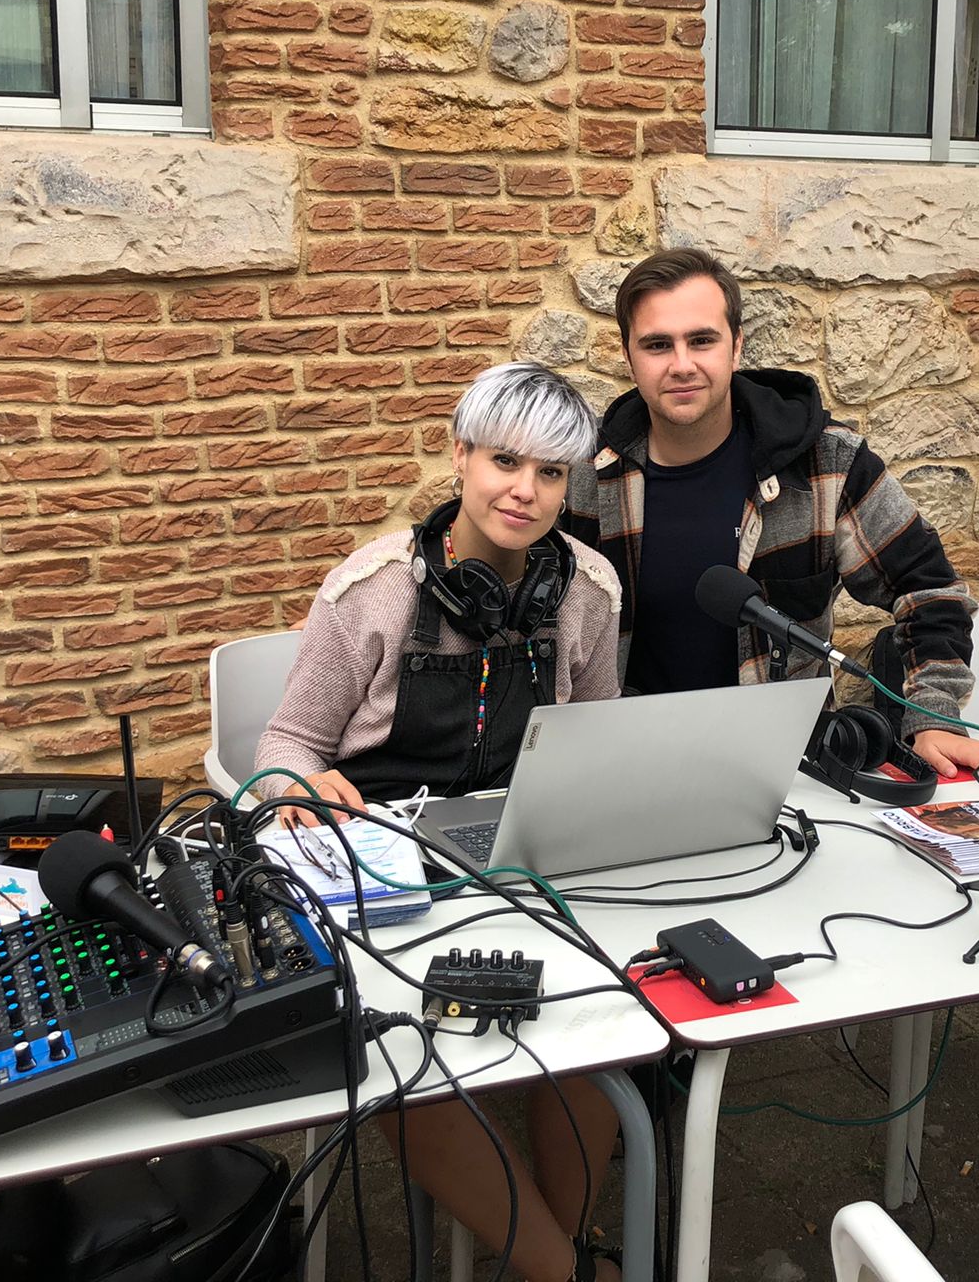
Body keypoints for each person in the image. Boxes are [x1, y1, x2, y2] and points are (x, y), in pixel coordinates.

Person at [251, 361, 626, 1282]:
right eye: (505, 461)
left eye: (550, 474)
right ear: (459, 454)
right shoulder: (369, 591)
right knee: (403, 1067)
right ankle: (558, 1272)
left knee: (608, 1026)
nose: (525, 491)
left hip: (525, 861)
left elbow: (599, 740)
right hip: (381, 872)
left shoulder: (589, 590)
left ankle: (556, 1246)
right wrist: (298, 789)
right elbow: (285, 745)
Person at [564, 248, 979, 777]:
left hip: (789, 768)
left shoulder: (827, 463)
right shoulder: (582, 476)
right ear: (628, 356)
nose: (681, 364)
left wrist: (933, 716)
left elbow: (929, 591)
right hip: (625, 766)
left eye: (702, 340)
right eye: (657, 345)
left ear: (736, 345)